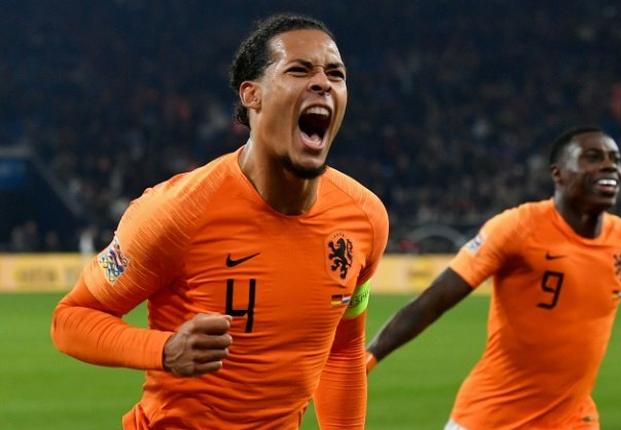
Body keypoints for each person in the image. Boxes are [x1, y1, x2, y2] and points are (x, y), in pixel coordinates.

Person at [51, 14, 388, 430]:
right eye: (299, 69)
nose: (322, 82)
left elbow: (343, 350)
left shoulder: (364, 219)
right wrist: (164, 349)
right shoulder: (178, 211)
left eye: (335, 74)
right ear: (252, 95)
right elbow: (70, 320)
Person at [366, 126, 621, 430]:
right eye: (593, 157)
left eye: (615, 160)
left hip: (572, 420)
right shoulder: (517, 227)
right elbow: (434, 300)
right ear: (559, 174)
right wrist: (367, 358)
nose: (609, 167)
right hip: (491, 417)